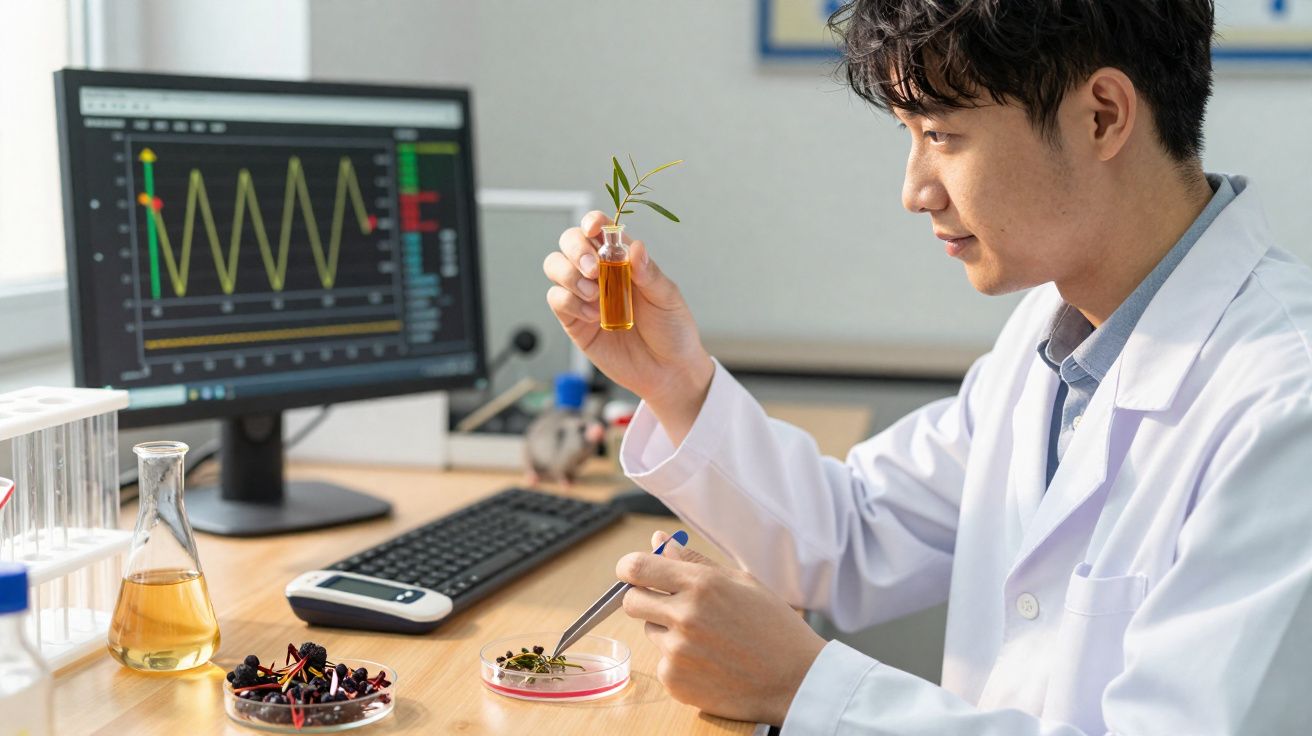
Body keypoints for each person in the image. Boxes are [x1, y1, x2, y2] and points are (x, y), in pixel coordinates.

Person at [543, 0, 1312, 732]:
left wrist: (805, 685)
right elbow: (854, 534)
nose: (914, 190)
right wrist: (675, 382)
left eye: (941, 134)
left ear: (1102, 116)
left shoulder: (1284, 404)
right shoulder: (1052, 338)